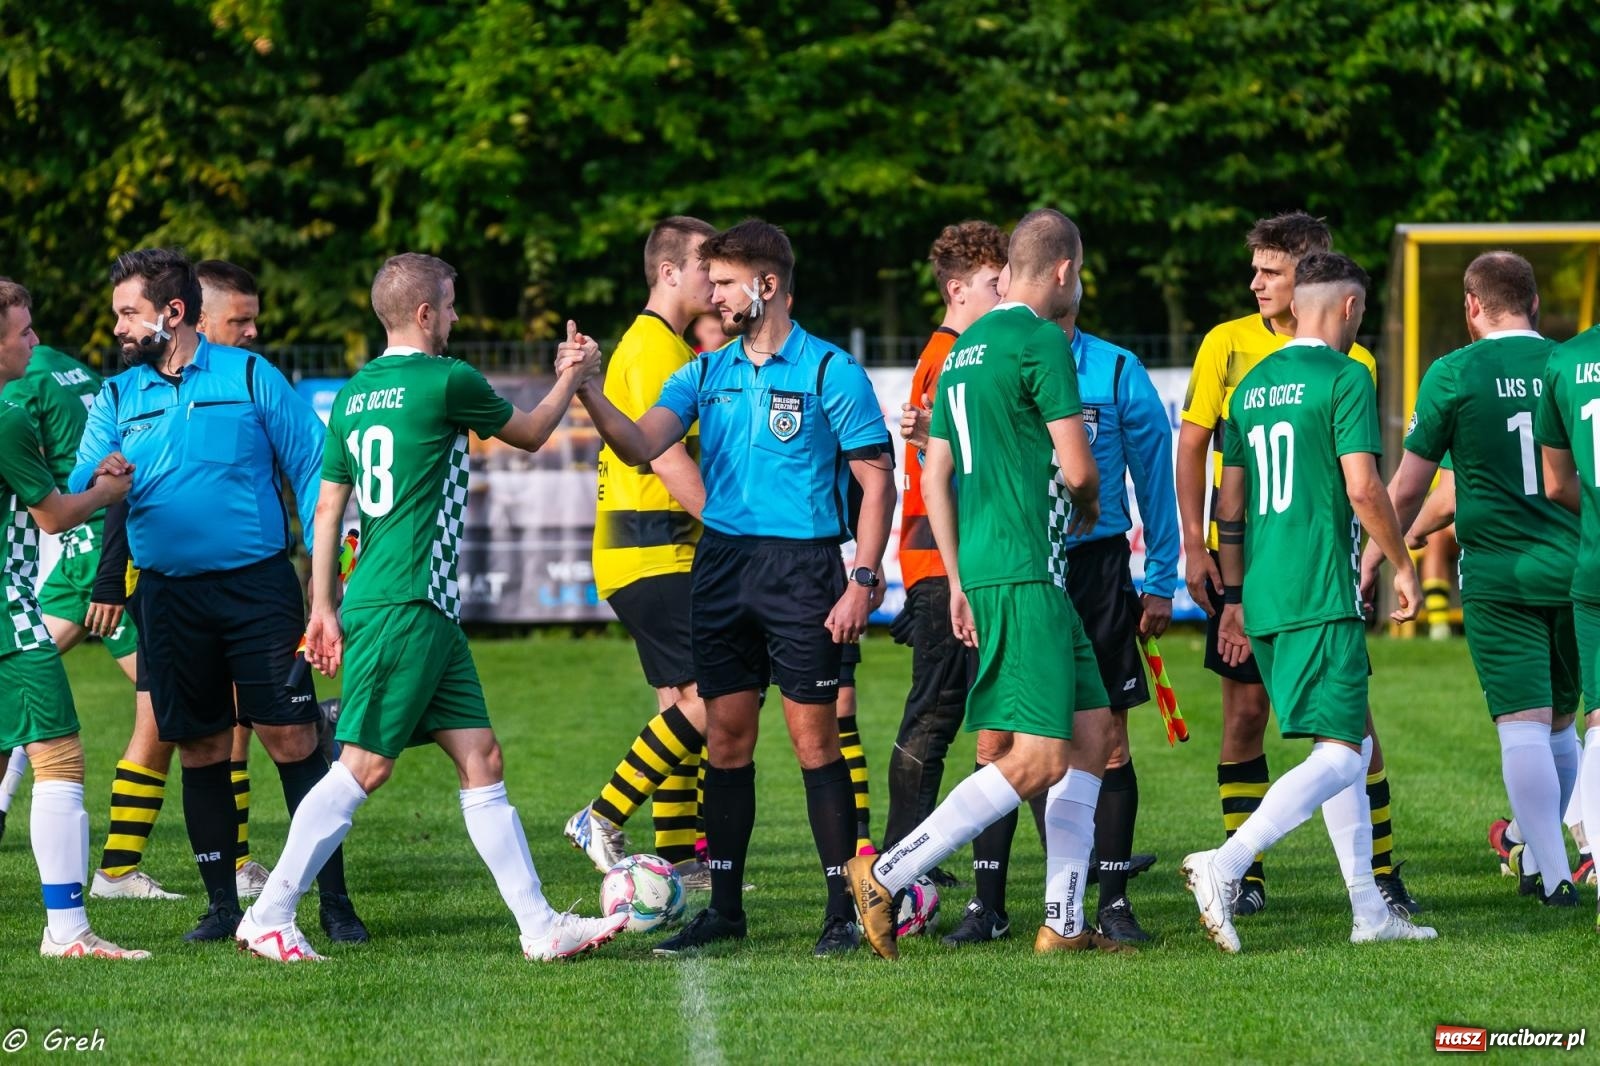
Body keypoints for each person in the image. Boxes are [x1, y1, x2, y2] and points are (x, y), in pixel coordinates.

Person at [236, 253, 629, 962]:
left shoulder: (354, 395)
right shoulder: (446, 380)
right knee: (363, 766)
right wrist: (574, 372)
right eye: (448, 306)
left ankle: (539, 928)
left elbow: (327, 507)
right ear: (424, 314)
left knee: (482, 757)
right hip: (406, 603)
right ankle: (269, 912)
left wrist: (322, 605)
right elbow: (535, 432)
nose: (453, 317)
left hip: (405, 603)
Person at [577, 219, 896, 957]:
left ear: (768, 284)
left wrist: (862, 577)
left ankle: (838, 913)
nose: (713, 295)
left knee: (815, 744)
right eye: (710, 281)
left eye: (723, 282)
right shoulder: (704, 372)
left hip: (805, 572)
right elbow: (637, 444)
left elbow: (877, 481)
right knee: (725, 741)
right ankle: (723, 910)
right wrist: (590, 390)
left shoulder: (828, 370)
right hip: (721, 567)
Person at [849, 209, 1129, 960]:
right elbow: (1078, 471)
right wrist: (1089, 511)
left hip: (999, 572)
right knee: (1036, 756)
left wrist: (960, 574)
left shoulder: (965, 349)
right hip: (1030, 572)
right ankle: (888, 874)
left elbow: (933, 473)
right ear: (1064, 271)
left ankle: (1064, 923)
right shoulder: (1042, 340)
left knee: (1094, 734)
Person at [70, 248, 365, 944]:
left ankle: (335, 903)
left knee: (293, 738)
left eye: (127, 313)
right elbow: (79, 490)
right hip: (169, 598)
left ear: (172, 314)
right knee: (200, 748)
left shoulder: (253, 375)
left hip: (257, 588)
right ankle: (222, 909)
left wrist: (330, 590)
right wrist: (102, 478)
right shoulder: (116, 397)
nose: (116, 327)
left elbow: (323, 475)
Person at [1182, 252, 1436, 952]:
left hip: (1263, 592)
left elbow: (1227, 504)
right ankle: (1225, 865)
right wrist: (1401, 565)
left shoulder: (1252, 384)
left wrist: (1232, 596)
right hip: (1320, 588)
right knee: (1346, 754)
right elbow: (1363, 487)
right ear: (1349, 310)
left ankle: (1368, 911)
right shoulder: (1347, 375)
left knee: (1341, 741)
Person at [1363, 252, 1580, 906]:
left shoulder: (1454, 373)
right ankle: (1535, 851)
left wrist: (1377, 557)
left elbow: (1406, 489)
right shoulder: (1570, 367)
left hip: (1500, 573)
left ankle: (1555, 875)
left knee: (1522, 724)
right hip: (1574, 568)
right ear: (1536, 304)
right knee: (1563, 725)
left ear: (1471, 306)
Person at [565, 216, 717, 883]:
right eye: (707, 267)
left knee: (679, 704)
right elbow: (664, 457)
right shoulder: (657, 349)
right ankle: (602, 813)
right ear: (669, 272)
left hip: (640, 552)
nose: (716, 280)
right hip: (655, 550)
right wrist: (736, 528)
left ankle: (680, 860)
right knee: (714, 696)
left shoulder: (660, 344)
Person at [0, 277, 148, 959]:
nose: (36, 341)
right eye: (24, 331)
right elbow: (54, 514)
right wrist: (108, 490)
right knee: (59, 755)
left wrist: (89, 482)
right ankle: (69, 931)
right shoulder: (4, 414)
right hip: (9, 616)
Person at [882, 221, 1005, 896]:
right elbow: (941, 465)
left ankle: (909, 862)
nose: (1006, 289)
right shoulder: (951, 357)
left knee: (960, 716)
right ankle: (898, 868)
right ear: (959, 290)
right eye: (995, 281)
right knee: (934, 716)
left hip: (949, 564)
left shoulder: (958, 353)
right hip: (944, 567)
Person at [1536, 314, 1600, 927]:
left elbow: (1557, 483)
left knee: (1595, 719)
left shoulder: (1566, 361)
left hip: (1592, 564)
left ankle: (1589, 852)